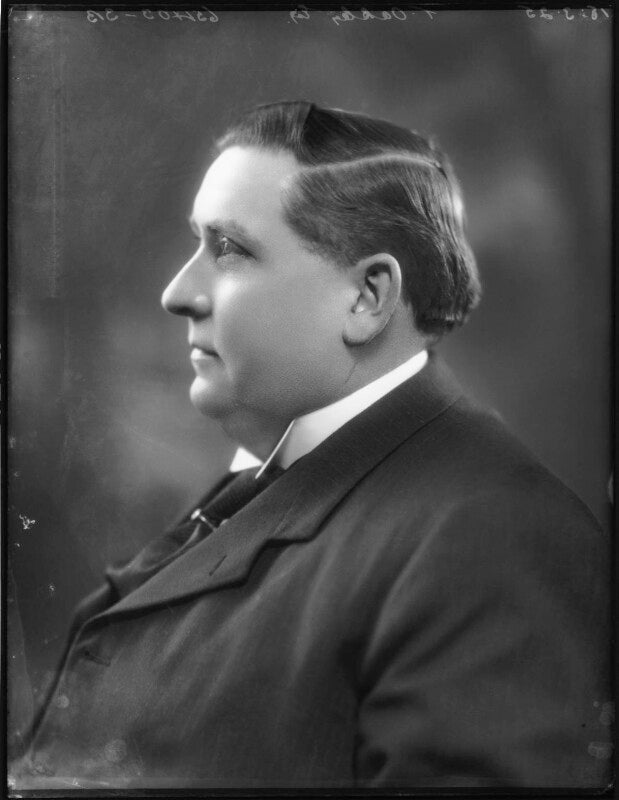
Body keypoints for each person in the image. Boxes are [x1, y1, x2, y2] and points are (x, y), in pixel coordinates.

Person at [15, 101, 611, 790]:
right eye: (196, 243)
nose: (178, 292)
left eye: (229, 249)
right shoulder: (284, 477)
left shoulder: (494, 537)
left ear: (367, 297)